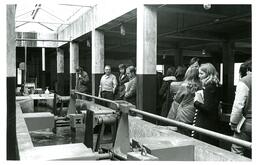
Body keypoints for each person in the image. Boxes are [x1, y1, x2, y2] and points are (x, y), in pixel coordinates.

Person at [193, 63, 220, 146]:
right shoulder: (216, 85)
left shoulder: (209, 87)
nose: (199, 76)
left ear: (208, 74)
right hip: (212, 122)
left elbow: (207, 108)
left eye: (202, 74)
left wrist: (196, 102)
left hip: (205, 123)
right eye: (199, 73)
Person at [230, 60, 251, 157]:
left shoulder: (245, 81)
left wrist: (233, 123)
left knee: (237, 150)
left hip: (248, 123)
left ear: (248, 69)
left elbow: (238, 105)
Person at [174, 67, 201, 136]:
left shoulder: (184, 86)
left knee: (182, 137)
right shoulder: (201, 85)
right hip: (195, 114)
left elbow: (177, 100)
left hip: (184, 115)